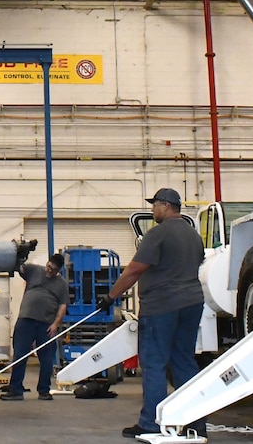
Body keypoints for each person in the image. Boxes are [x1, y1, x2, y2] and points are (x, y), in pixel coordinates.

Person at [97, 188, 207, 440]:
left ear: (166, 206)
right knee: (184, 361)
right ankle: (195, 421)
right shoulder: (193, 235)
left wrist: (111, 297)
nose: (152, 210)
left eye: (155, 205)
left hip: (162, 306)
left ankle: (151, 423)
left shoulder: (157, 234)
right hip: (192, 303)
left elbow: (135, 270)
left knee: (154, 363)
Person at [0, 252, 69, 401]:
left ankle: (44, 390)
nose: (50, 271)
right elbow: (19, 267)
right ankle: (16, 390)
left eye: (54, 270)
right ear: (47, 263)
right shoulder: (35, 270)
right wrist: (18, 253)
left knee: (46, 359)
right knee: (20, 355)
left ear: (59, 271)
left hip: (46, 325)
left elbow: (63, 305)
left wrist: (56, 324)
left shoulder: (62, 284)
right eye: (49, 267)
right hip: (26, 320)